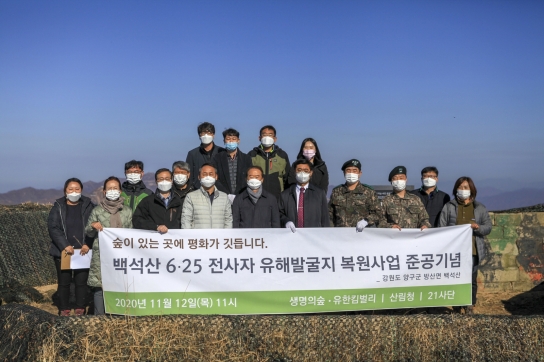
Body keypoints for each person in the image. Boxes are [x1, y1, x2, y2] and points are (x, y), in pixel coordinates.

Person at [439, 176, 492, 314]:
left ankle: (470, 304)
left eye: (466, 187)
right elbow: (441, 226)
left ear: (472, 190)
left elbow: (488, 227)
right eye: (460, 187)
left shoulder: (479, 208)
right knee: (455, 277)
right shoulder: (449, 207)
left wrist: (478, 228)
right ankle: (457, 304)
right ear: (456, 189)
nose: (463, 190)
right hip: (454, 251)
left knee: (471, 278)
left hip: (472, 250)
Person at [47, 178, 94, 316]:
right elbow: (53, 227)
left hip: (83, 251)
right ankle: (64, 307)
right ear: (65, 191)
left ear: (81, 190)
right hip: (64, 252)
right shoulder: (58, 206)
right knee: (64, 281)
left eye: (77, 189)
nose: (74, 192)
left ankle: (80, 306)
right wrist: (64, 245)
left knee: (81, 281)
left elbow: (94, 225)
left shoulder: (88, 205)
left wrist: (88, 244)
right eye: (71, 189)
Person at [86, 176, 132, 315]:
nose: (113, 191)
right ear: (104, 192)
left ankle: (119, 316)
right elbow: (87, 231)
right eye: (109, 188)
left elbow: (131, 232)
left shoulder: (127, 211)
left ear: (120, 191)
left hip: (121, 256)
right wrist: (93, 226)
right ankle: (99, 319)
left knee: (121, 285)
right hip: (101, 255)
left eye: (115, 188)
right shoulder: (97, 211)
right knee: (100, 287)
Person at [329, 159, 384, 230]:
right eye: (348, 170)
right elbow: (329, 214)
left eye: (354, 171)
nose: (351, 173)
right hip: (341, 235)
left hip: (362, 235)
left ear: (360, 173)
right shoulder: (336, 191)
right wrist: (331, 230)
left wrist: (366, 221)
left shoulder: (369, 192)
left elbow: (377, 214)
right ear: (344, 173)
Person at [279, 159, 329, 232]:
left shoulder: (319, 193)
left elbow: (325, 218)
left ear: (311, 173)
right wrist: (286, 221)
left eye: (306, 171)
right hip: (292, 235)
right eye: (299, 170)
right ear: (294, 172)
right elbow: (279, 213)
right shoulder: (285, 195)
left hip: (313, 236)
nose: (302, 173)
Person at [181, 163, 233, 229]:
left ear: (216, 176)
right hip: (198, 238)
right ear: (199, 177)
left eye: (211, 174)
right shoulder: (191, 197)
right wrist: (188, 237)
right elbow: (186, 220)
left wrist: (226, 236)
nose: (208, 177)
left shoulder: (224, 197)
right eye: (204, 174)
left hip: (219, 238)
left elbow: (228, 220)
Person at [380, 166, 431, 230]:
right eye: (395, 178)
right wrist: (390, 226)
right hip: (393, 237)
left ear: (406, 179)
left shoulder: (415, 199)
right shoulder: (386, 200)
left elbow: (424, 219)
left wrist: (424, 225)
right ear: (391, 182)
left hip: (413, 238)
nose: (398, 181)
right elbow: (380, 221)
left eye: (401, 178)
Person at [248, 125, 291, 200]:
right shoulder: (252, 155)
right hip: (256, 197)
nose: (267, 137)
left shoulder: (282, 155)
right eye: (264, 135)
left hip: (277, 198)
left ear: (275, 139)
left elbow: (287, 178)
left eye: (270, 135)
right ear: (259, 138)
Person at [133, 168, 182, 233]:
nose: (164, 181)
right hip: (154, 239)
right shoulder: (147, 201)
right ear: (156, 182)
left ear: (172, 181)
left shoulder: (179, 201)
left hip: (173, 240)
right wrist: (156, 227)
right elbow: (137, 220)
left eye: (167, 179)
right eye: (161, 179)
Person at [213, 128, 252, 202]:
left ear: (238, 141)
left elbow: (248, 177)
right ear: (224, 141)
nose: (231, 141)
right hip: (222, 197)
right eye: (228, 139)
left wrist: (240, 194)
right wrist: (226, 194)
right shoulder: (217, 158)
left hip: (242, 196)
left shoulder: (246, 158)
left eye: (234, 139)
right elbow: (215, 178)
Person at [186, 122, 225, 187]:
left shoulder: (222, 152)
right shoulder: (192, 154)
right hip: (198, 190)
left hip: (219, 190)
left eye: (209, 133)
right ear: (199, 135)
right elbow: (189, 176)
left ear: (213, 135)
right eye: (203, 133)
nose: (206, 135)